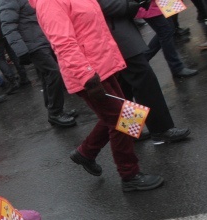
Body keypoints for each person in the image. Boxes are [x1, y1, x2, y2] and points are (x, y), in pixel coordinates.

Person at [30, 0, 164, 192]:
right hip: (88, 74)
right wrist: (87, 77)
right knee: (122, 119)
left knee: (124, 114)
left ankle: (86, 152)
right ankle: (130, 175)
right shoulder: (49, 2)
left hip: (103, 66)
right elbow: (63, 43)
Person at [95, 0, 191, 145]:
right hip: (117, 34)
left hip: (118, 31)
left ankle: (130, 130)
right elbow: (106, 5)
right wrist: (134, 4)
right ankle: (161, 130)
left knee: (126, 86)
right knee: (144, 80)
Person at [0, 0, 78, 127]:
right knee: (54, 73)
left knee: (48, 76)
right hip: (32, 45)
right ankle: (55, 113)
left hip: (42, 40)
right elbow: (7, 26)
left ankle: (56, 110)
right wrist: (21, 50)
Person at [135, 3, 198, 77]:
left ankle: (143, 59)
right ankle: (177, 68)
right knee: (165, 31)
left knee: (168, 29)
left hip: (161, 3)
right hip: (149, 5)